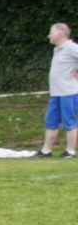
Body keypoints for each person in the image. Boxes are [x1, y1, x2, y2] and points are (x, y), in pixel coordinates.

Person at [37, 22, 78, 159]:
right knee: (51, 122)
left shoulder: (71, 47)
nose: (49, 35)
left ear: (59, 34)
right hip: (56, 93)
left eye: (51, 32)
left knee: (69, 122)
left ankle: (70, 151)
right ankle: (46, 150)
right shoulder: (57, 49)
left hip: (69, 92)